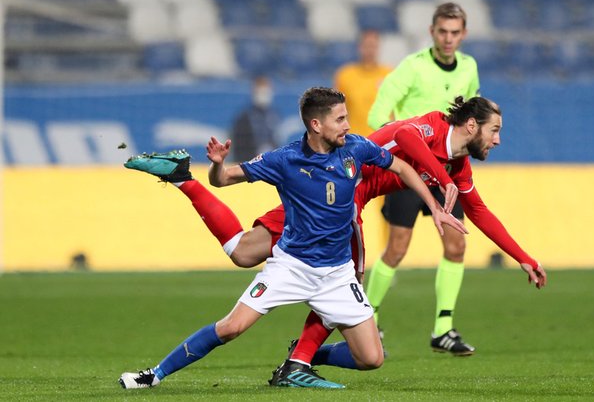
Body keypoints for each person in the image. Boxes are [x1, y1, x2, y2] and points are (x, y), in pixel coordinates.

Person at [124, 96, 546, 387]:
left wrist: (523, 257)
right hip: (342, 204)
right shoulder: (432, 126)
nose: (498, 139)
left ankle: (181, 178)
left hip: (322, 201)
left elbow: (478, 211)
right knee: (342, 272)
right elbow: (402, 135)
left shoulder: (457, 167)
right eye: (495, 130)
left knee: (242, 251)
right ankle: (298, 360)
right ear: (471, 125)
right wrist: (436, 180)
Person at [366, 1, 482, 354]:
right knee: (397, 249)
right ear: (432, 32)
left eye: (455, 33)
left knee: (456, 245)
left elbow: (471, 119)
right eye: (442, 32)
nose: (448, 39)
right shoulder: (411, 68)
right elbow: (376, 116)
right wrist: (409, 146)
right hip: (406, 173)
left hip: (445, 174)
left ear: (463, 34)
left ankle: (443, 329)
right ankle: (366, 320)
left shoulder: (469, 68)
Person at [333, 30, 391, 138]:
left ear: (378, 48)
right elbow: (335, 111)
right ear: (359, 47)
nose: (370, 50)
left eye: (373, 46)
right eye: (366, 45)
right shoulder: (345, 75)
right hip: (355, 140)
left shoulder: (389, 74)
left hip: (383, 141)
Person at [229, 75, 280, 162]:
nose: (264, 95)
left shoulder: (274, 116)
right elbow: (239, 147)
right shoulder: (244, 118)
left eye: (266, 92)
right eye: (261, 92)